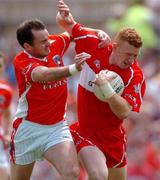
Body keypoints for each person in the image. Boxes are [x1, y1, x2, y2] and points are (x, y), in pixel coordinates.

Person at [9, 16, 109, 180]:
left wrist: (98, 32)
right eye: (42, 42)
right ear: (27, 46)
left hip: (56, 128)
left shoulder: (53, 43)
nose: (48, 43)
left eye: (47, 38)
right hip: (28, 130)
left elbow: (73, 33)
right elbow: (45, 75)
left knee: (72, 173)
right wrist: (73, 68)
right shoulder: (22, 62)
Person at [57, 0, 146, 179]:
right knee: (98, 175)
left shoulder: (134, 75)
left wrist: (107, 89)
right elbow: (66, 23)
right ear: (115, 46)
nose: (131, 60)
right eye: (128, 54)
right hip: (86, 131)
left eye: (135, 56)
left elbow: (124, 112)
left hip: (114, 139)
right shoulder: (94, 45)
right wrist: (65, 17)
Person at [0, 51, 13, 180]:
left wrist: (8, 134)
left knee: (5, 174)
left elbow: (8, 114)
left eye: (1, 66)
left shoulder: (6, 91)